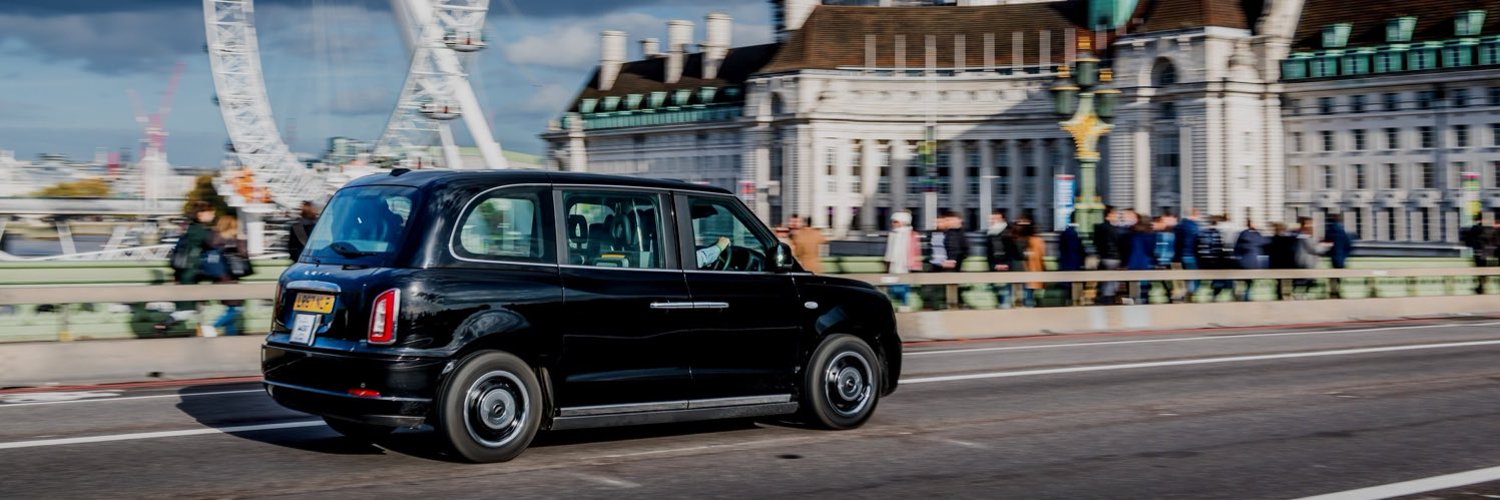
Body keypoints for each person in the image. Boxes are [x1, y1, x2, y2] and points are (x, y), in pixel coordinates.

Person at [204, 214, 249, 337]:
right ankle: (212, 326)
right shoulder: (233, 241)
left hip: (218, 278)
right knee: (237, 309)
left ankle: (231, 338)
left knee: (231, 309)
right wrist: (242, 239)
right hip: (230, 279)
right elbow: (244, 255)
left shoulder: (213, 239)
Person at [923, 210, 968, 310]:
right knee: (936, 287)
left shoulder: (952, 233)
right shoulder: (934, 233)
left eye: (941, 221)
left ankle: (949, 304)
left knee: (945, 286)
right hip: (936, 263)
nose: (938, 224)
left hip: (946, 264)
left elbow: (955, 248)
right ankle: (937, 304)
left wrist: (952, 260)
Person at [883, 211, 922, 311]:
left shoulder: (912, 234)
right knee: (893, 285)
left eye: (896, 221)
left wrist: (914, 264)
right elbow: (889, 251)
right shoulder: (893, 234)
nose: (893, 224)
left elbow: (915, 250)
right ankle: (892, 304)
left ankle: (905, 304)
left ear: (903, 222)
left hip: (905, 265)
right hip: (893, 265)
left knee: (904, 285)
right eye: (893, 221)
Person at [984, 210, 1020, 308]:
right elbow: (989, 251)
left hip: (1005, 263)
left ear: (1002, 219)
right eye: (992, 218)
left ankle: (1005, 305)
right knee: (996, 287)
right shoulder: (990, 232)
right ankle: (999, 304)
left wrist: (1005, 263)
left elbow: (1012, 250)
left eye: (996, 218)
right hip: (994, 264)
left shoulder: (1008, 232)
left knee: (1005, 287)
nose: (993, 220)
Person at [1197, 215, 1233, 301]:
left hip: (1204, 260)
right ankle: (1217, 293)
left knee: (1208, 280)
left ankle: (1211, 293)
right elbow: (1220, 247)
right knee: (1218, 278)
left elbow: (1200, 246)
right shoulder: (1217, 233)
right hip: (1215, 260)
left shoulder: (1202, 232)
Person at [1232, 219, 1269, 302]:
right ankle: (1247, 299)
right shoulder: (1256, 235)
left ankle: (1239, 295)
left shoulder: (1242, 234)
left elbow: (1236, 248)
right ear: (1253, 224)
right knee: (1250, 283)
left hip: (1242, 262)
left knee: (1241, 281)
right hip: (1252, 262)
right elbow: (1265, 242)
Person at [1093, 206, 1123, 305]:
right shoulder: (1116, 230)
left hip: (1104, 257)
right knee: (1112, 281)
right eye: (1115, 214)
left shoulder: (1099, 228)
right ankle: (1107, 299)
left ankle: (1104, 298)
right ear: (1108, 215)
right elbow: (1120, 244)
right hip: (1114, 258)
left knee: (1105, 281)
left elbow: (1096, 243)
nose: (1117, 217)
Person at [1125, 217, 1157, 304]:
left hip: (1133, 262)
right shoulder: (1151, 235)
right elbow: (1151, 250)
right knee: (1144, 287)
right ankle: (1143, 302)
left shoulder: (1133, 234)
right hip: (1145, 263)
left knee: (1133, 287)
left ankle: (1133, 303)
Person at [1464, 215, 1498, 294]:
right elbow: (1494, 241)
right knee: (1485, 270)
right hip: (1488, 253)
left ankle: (1481, 287)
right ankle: (1482, 286)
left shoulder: (1474, 228)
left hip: (1478, 253)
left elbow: (1468, 241)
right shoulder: (1490, 229)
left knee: (1479, 270)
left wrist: (1474, 246)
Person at [1174, 208, 1203, 300]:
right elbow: (1197, 242)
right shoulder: (1194, 227)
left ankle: (1185, 294)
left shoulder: (1180, 225)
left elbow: (1177, 242)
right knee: (1193, 276)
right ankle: (1191, 295)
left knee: (1185, 277)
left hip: (1181, 255)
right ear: (1195, 215)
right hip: (1191, 255)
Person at [1018, 218, 1046, 307]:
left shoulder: (1020, 240)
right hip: (1033, 275)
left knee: (1028, 299)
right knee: (1034, 299)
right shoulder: (1038, 241)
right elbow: (1041, 257)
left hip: (1025, 275)